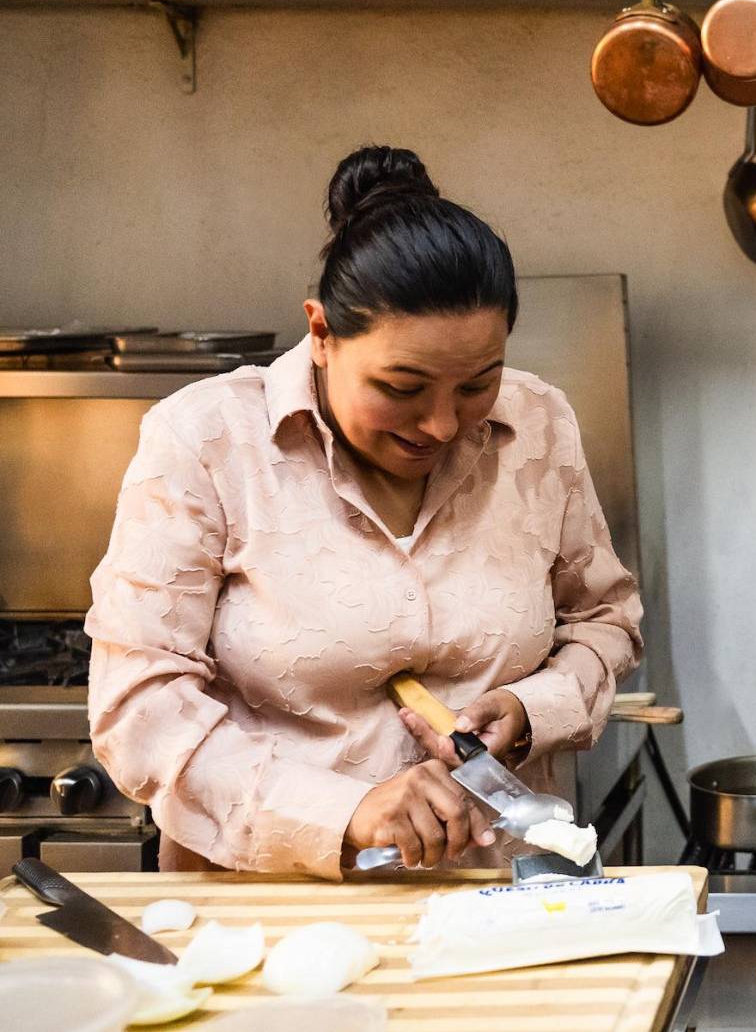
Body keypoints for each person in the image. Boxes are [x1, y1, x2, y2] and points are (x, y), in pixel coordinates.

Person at [87, 145, 642, 878]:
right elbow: (140, 708)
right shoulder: (207, 441)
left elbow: (605, 619)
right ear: (321, 333)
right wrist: (343, 812)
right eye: (403, 386)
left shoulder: (537, 424)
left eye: (478, 383)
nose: (442, 424)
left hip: (499, 898)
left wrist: (530, 708)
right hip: (272, 909)